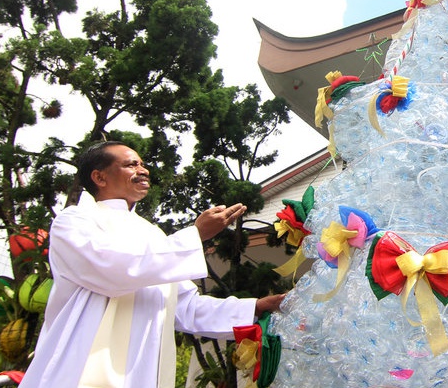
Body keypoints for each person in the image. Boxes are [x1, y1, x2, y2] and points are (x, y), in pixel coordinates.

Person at [19, 141, 285, 387]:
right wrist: (196, 235)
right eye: (130, 165)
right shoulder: (75, 221)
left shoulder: (153, 236)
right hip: (77, 371)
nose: (142, 170)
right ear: (99, 177)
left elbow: (186, 308)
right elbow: (114, 270)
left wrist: (256, 307)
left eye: (142, 164)